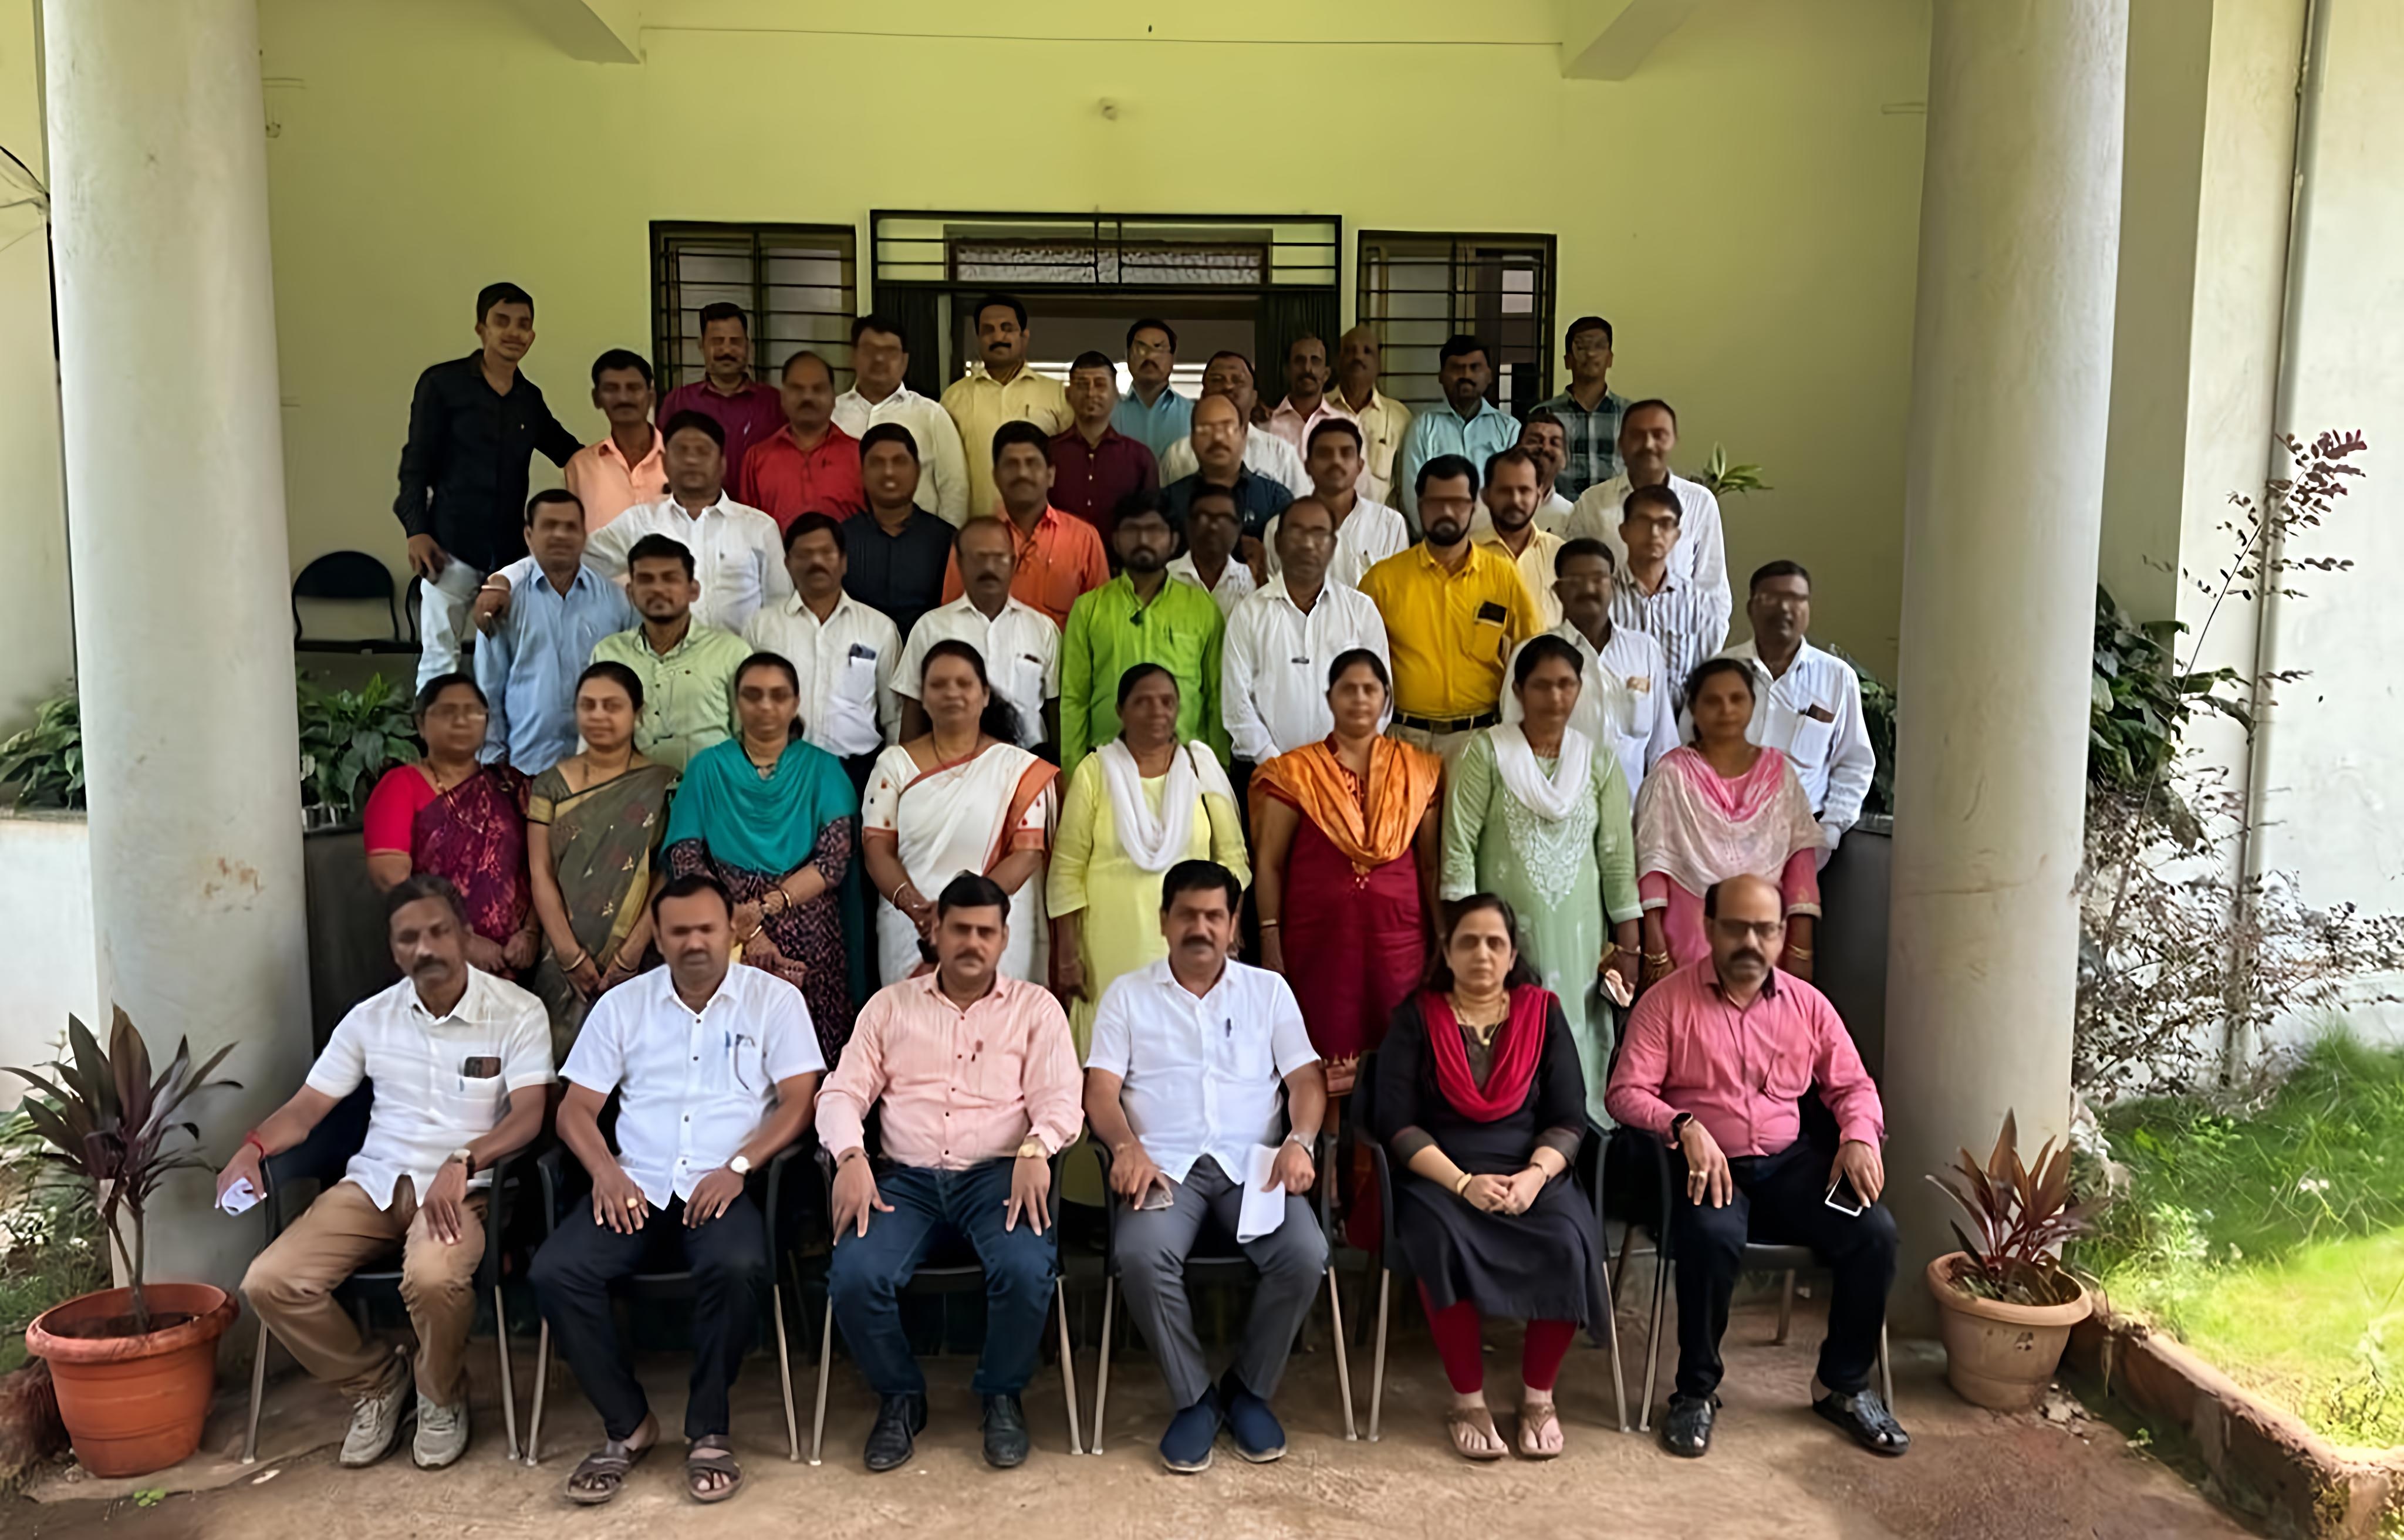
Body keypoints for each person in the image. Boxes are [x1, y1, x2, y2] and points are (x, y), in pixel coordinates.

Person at [226, 875, 550, 1470]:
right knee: (270, 1281)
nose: (425, 947)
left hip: (465, 1192)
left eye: (438, 931)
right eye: (409, 938)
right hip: (374, 1186)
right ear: (394, 950)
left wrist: (466, 1159)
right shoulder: (369, 1019)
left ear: (466, 935)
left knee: (432, 1276)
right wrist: (253, 1147)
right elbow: (307, 1108)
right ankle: (377, 1382)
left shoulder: (516, 1012)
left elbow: (530, 1115)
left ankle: (440, 1395)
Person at [535, 874, 823, 1507]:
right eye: (680, 932)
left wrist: (740, 1165)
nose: (695, 942)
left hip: (724, 1185)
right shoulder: (623, 1005)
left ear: (731, 931)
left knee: (737, 1265)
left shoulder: (773, 1001)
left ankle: (709, 1427)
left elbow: (800, 1101)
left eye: (707, 929)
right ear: (659, 940)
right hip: (635, 1183)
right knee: (557, 1271)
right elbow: (575, 1110)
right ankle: (628, 1424)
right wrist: (605, 1171)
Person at [1604, 873, 1906, 1461]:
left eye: (1765, 929)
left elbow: (1853, 1086)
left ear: (1781, 933)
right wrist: (1682, 1124)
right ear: (1709, 927)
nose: (1751, 942)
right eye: (1737, 928)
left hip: (1789, 1166)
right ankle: (1695, 1391)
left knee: (1875, 1233)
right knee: (1710, 1234)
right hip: (1706, 1166)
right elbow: (1625, 1092)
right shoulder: (1666, 1002)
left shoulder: (1808, 1005)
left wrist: (1858, 1137)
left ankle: (1842, 1386)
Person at [818, 873, 1085, 1473]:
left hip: (997, 1177)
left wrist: (1037, 1149)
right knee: (855, 1274)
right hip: (905, 1182)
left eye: (985, 931)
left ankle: (1000, 1394)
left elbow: (1061, 1099)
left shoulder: (1035, 1009)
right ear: (935, 931)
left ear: (1004, 938)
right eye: (960, 929)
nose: (972, 943)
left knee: (1026, 1268)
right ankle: (900, 1397)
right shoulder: (890, 1006)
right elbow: (841, 1093)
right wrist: (850, 1156)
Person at [1083, 859, 1328, 1472]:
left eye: (1214, 916)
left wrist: (1300, 1140)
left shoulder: (1267, 991)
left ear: (1233, 923)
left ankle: (1247, 1389)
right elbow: (1100, 1091)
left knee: (1304, 1253)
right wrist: (1125, 1146)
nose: (1201, 927)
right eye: (1188, 915)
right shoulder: (1127, 995)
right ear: (1164, 921)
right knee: (1142, 1254)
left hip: (1255, 1166)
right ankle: (1194, 1396)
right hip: (1163, 1164)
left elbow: (1306, 1080)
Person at [1367, 894, 1606, 1463]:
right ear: (1446, 952)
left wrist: (1533, 1177)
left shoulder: (1543, 1014)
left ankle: (1539, 1396)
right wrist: (1462, 1183)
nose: (1482, 953)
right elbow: (1396, 1124)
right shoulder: (1415, 1018)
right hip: (1440, 1174)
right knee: (1440, 1239)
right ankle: (1468, 1400)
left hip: (1532, 1169)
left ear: (1513, 954)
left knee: (1569, 1238)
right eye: (1468, 941)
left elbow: (1569, 1118)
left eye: (1495, 942)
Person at [1442, 637, 1640, 1126]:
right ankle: (1507, 1130)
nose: (1555, 697)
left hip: (1581, 940)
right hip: (1503, 939)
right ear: (1518, 690)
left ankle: (1575, 1137)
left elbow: (1617, 859)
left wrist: (1630, 947)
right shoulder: (1486, 753)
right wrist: (1461, 941)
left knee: (1575, 1031)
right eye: (1542, 685)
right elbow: (1459, 850)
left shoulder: (1599, 762)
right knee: (1506, 1030)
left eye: (1566, 685)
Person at [1251, 651, 1442, 1090]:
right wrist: (1269, 939)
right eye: (1348, 689)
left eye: (1370, 689)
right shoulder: (1296, 772)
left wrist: (1443, 937)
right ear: (1329, 698)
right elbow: (1269, 863)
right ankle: (1326, 1138)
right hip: (1319, 942)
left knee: (1401, 1060)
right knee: (1322, 1061)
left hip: (1400, 940)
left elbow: (1432, 865)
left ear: (1386, 699)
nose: (1359, 699)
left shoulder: (1418, 770)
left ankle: (1394, 1137)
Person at [665, 653, 865, 1061]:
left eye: (778, 695)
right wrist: (748, 930)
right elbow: (686, 860)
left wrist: (762, 909)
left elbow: (833, 861)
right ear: (736, 702)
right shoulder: (707, 769)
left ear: (795, 703)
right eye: (753, 695)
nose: (766, 706)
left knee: (810, 1053)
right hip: (724, 929)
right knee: (728, 1053)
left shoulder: (823, 769)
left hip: (808, 933)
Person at [1048, 666, 1249, 1052]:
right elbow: (1067, 869)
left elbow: (1232, 860)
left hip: (1191, 940)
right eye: (1143, 702)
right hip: (1109, 944)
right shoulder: (1095, 772)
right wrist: (1068, 955)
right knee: (1113, 1052)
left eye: (1167, 702)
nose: (1157, 711)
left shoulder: (1201, 768)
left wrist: (1231, 931)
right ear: (1120, 711)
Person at [395, 282, 582, 684]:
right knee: (439, 659)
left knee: (510, 660)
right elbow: (416, 463)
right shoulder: (442, 385)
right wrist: (416, 530)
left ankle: (502, 729)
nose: (514, 332)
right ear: (482, 328)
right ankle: (436, 727)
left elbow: (568, 452)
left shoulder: (528, 399)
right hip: (448, 546)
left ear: (532, 335)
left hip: (510, 554)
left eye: (523, 324)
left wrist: (628, 463)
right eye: (502, 321)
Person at [862, 642, 1060, 988]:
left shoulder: (1018, 769)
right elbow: (877, 849)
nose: (952, 693)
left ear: (985, 695)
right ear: (923, 698)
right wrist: (917, 908)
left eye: (964, 684)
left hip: (993, 918)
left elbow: (1028, 853)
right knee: (913, 1017)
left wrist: (964, 909)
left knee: (998, 1017)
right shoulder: (893, 765)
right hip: (912, 925)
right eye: (938, 685)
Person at [1635, 658, 1822, 981]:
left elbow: (1800, 863)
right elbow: (1652, 864)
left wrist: (1800, 948)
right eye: (1713, 701)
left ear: (1753, 704)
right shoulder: (1671, 775)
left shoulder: (1779, 774)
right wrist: (1656, 949)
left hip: (1763, 933)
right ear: (1693, 708)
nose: (1726, 710)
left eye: (1737, 699)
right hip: (1688, 935)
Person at [524, 661, 676, 1057]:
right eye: (588, 705)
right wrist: (568, 954)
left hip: (638, 952)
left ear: (637, 713)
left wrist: (631, 952)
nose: (599, 716)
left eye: (612, 706)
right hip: (560, 951)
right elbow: (540, 872)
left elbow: (667, 873)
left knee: (637, 1062)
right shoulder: (550, 784)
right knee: (556, 1063)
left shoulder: (665, 784)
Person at [1356, 455, 1541, 765]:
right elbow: (1355, 660)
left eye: (1457, 503)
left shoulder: (1502, 576)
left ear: (1474, 506)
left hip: (1479, 738)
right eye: (1435, 503)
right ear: (1419, 505)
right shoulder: (1382, 580)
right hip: (1403, 739)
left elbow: (1534, 653)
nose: (1446, 512)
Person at [363, 674, 538, 977]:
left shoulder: (511, 785)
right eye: (447, 712)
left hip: (518, 961)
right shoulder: (401, 785)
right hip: (436, 959)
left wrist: (532, 933)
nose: (461, 721)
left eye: (472, 712)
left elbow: (541, 866)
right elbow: (392, 879)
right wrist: (462, 941)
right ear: (421, 723)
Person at [578, 411, 791, 635]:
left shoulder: (759, 528)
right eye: (681, 451)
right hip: (660, 655)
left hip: (742, 654)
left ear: (722, 464)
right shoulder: (639, 521)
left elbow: (779, 606)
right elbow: (580, 563)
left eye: (702, 451)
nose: (691, 460)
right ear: (665, 463)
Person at [1718, 562, 1876, 860]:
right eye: (1772, 599)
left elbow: (1854, 762)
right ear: (1751, 608)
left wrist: (1830, 830)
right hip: (1724, 838)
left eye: (1796, 599)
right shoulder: (1719, 671)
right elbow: (1689, 750)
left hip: (1800, 841)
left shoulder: (1836, 678)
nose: (1784, 609)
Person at [1501, 539, 1679, 803]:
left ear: (1614, 586)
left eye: (1598, 579)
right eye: (1575, 581)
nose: (1588, 589)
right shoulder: (1531, 655)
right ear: (1559, 591)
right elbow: (1512, 749)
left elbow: (1663, 750)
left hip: (1631, 816)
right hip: (1559, 816)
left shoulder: (1645, 652)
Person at [1222, 497, 1393, 771]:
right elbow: (1237, 704)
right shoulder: (1249, 614)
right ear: (1278, 542)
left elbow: (1381, 696)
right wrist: (1278, 766)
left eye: (1318, 533)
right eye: (1297, 532)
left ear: (1333, 545)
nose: (1308, 544)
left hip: (1347, 771)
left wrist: (1343, 759)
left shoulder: (1361, 611)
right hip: (1270, 774)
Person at [474, 490, 637, 776]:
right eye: (549, 526)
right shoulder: (505, 604)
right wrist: (494, 765)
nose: (560, 535)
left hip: (600, 770)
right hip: (524, 768)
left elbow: (634, 683)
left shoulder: (617, 602)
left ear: (584, 536)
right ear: (529, 535)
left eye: (570, 527)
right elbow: (489, 688)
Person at [1059, 497, 1226, 774]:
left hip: (1186, 764)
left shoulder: (1202, 608)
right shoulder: (1089, 608)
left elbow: (1217, 694)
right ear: (1116, 540)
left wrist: (1218, 769)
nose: (1143, 539)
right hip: (1106, 763)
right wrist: (1073, 770)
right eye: (1132, 530)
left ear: (1174, 541)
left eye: (1154, 530)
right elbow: (1074, 698)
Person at [743, 512, 902, 789]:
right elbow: (744, 704)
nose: (816, 562)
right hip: (778, 771)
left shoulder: (879, 628)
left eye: (826, 553)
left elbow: (895, 716)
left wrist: (890, 780)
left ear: (844, 562)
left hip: (857, 773)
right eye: (804, 555)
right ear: (788, 564)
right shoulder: (761, 626)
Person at [1564, 399, 1730, 645]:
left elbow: (1713, 593)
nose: (1648, 444)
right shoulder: (1593, 503)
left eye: (1659, 435)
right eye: (1637, 436)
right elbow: (1571, 583)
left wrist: (1702, 661)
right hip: (1609, 653)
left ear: (1674, 440)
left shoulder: (1699, 503)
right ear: (1621, 443)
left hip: (1679, 653)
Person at [588, 534, 751, 772]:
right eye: (646, 579)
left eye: (670, 578)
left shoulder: (732, 652)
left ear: (693, 590)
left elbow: (752, 739)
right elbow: (595, 739)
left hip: (713, 791)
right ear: (631, 593)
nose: (657, 589)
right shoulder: (609, 654)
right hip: (633, 793)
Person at [900, 518, 1060, 749]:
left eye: (999, 558)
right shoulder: (931, 627)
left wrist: (1058, 766)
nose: (989, 568)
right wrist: (909, 767)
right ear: (960, 563)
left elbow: (1056, 710)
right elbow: (913, 708)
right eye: (979, 558)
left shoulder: (1042, 629)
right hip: (951, 761)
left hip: (1028, 760)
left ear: (1013, 562)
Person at [937, 421, 1109, 628]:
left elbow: (1101, 621)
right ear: (996, 477)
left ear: (1051, 475)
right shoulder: (972, 541)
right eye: (1011, 464)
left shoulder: (1084, 539)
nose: (1022, 474)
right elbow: (951, 617)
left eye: (1032, 463)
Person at [942, 293, 1072, 520]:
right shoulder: (955, 397)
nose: (998, 337)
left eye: (1007, 328)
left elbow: (1070, 464)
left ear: (1024, 337)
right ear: (978, 338)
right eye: (988, 330)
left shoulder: (1057, 394)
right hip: (978, 529)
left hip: (1043, 531)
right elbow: (945, 472)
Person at [832, 315, 968, 524]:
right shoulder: (832, 414)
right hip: (843, 537)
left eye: (890, 352)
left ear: (905, 361)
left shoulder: (931, 415)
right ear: (853, 356)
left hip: (920, 538)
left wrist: (949, 539)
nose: (879, 359)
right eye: (870, 350)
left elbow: (954, 488)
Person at [1609, 483, 1727, 712]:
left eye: (1664, 524)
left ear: (1677, 536)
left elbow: (1705, 678)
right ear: (1624, 531)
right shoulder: (1604, 598)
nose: (1654, 533)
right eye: (1644, 522)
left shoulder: (1698, 604)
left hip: (1680, 722)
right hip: (1616, 721)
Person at [1391, 335, 1518, 533]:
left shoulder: (1509, 430)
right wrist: (1437, 540)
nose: (1466, 375)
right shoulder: (1423, 427)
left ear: (1489, 376)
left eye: (1475, 368)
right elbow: (1412, 495)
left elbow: (1515, 491)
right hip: (1436, 541)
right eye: (1457, 368)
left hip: (1496, 542)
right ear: (1441, 376)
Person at [1262, 418, 1408, 589]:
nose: (1336, 461)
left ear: (1360, 466)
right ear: (1308, 466)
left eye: (1346, 453)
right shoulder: (1279, 527)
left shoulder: (1390, 524)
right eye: (1324, 454)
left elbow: (1397, 591)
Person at [842, 422, 955, 643]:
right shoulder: (840, 541)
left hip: (929, 654)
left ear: (918, 471)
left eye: (899, 462)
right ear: (862, 473)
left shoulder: (947, 541)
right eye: (877, 463)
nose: (889, 472)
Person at [657, 301, 788, 490]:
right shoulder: (678, 402)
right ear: (702, 346)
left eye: (735, 342)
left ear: (748, 346)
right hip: (697, 506)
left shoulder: (775, 403)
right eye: (717, 342)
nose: (727, 350)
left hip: (760, 507)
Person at [737, 350, 865, 528]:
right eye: (797, 389)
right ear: (783, 397)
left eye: (818, 389)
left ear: (833, 397)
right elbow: (747, 528)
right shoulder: (756, 458)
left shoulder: (860, 456)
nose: (807, 397)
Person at [1157, 351, 1313, 496]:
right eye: (1217, 380)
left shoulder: (1281, 454)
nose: (1228, 387)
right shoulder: (1177, 455)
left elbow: (1303, 509)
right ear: (1203, 395)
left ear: (1254, 397)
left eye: (1238, 380)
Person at [1051, 349, 1159, 545]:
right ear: (1068, 394)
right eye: (1082, 385)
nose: (1091, 393)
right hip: (1061, 559)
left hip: (1119, 562)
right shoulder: (1049, 453)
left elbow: (1150, 524)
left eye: (1100, 384)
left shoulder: (1139, 458)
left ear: (1115, 393)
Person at [1162, 393, 1295, 541]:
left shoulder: (1275, 500)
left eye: (1228, 428)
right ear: (1192, 439)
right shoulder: (1169, 502)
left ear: (1244, 435)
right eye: (1205, 430)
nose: (1218, 438)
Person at [563, 349, 667, 532]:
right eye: (611, 389)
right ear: (596, 398)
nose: (623, 398)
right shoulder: (580, 467)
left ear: (652, 397)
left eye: (633, 388)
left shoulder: (682, 460)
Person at [1529, 316, 1629, 501]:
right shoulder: (1544, 415)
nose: (1591, 354)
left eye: (1599, 346)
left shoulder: (1630, 415)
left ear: (1610, 359)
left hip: (1614, 513)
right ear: (1568, 360)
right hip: (1560, 514)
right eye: (1581, 347)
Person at [1471, 446, 1568, 629]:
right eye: (1505, 491)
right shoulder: (1465, 554)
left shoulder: (1560, 555)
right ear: (1485, 496)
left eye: (1524, 491)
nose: (1515, 500)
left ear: (1539, 496)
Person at [1329, 325, 1413, 506]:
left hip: (1383, 521)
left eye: (1367, 351)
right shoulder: (1319, 411)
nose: (1358, 357)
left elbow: (1407, 488)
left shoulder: (1400, 418)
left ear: (1379, 364)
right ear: (1338, 360)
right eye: (1350, 351)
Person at [1165, 484, 1258, 617]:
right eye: (1203, 517)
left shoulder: (1251, 582)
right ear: (1189, 525)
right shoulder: (1167, 577)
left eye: (1224, 519)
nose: (1213, 527)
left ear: (1238, 529)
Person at [1111, 317, 1194, 462]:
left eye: (1158, 348)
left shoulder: (1194, 415)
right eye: (1141, 348)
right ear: (1128, 356)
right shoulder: (1107, 415)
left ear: (1172, 359)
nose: (1149, 357)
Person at [1264, 332, 1344, 457]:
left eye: (1315, 361)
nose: (1307, 368)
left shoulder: (1345, 425)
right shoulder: (1266, 426)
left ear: (1326, 374)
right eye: (1299, 361)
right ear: (1287, 371)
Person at [1516, 411, 1578, 529]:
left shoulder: (1571, 516)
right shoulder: (1491, 505)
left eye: (1554, 443)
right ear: (1515, 451)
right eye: (1534, 440)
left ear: (1565, 460)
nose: (1545, 448)